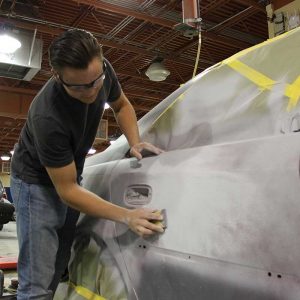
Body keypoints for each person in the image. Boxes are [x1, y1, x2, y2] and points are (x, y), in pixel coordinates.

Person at [10, 28, 164, 300]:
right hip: (35, 183)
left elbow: (122, 105)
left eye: (96, 81)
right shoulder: (48, 116)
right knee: (36, 283)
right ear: (58, 77)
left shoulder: (100, 71)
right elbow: (67, 191)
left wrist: (135, 141)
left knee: (58, 266)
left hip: (70, 174)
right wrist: (127, 215)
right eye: (80, 87)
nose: (93, 90)